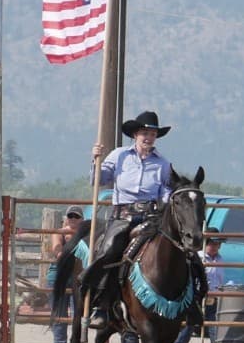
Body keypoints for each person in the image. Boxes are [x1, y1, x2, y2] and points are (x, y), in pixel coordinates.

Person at [83, 110, 204, 330]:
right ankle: (100, 305)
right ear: (135, 135)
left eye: (152, 134)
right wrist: (95, 160)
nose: (148, 137)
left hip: (151, 218)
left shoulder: (163, 164)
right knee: (109, 251)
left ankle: (193, 303)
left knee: (186, 254)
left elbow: (168, 193)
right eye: (144, 133)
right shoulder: (118, 156)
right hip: (122, 216)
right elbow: (97, 181)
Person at [168, 227, 225, 343]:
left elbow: (219, 279)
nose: (215, 246)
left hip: (213, 298)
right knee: (188, 328)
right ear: (206, 243)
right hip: (198, 297)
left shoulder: (220, 259)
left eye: (217, 244)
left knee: (214, 331)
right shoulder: (197, 257)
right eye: (212, 243)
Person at [48, 204, 84, 343]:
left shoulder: (85, 234)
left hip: (79, 275)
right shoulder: (59, 233)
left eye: (77, 217)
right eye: (71, 216)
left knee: (79, 314)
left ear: (82, 219)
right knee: (59, 313)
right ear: (66, 218)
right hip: (61, 272)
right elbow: (57, 249)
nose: (73, 219)